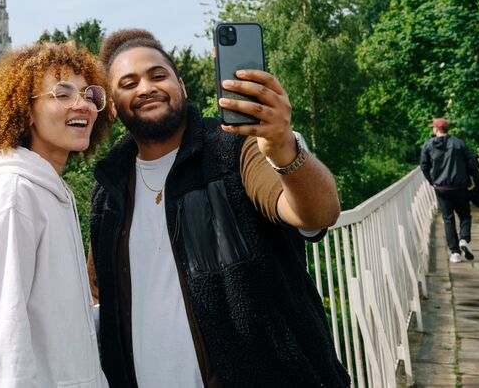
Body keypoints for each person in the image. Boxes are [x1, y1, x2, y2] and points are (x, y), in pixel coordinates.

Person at [88, 29, 349, 388]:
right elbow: (100, 297)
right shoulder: (109, 192)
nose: (146, 87)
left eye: (158, 75)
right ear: (114, 105)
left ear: (181, 85)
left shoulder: (235, 151)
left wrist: (284, 146)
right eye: (129, 83)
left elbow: (317, 214)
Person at [0, 42, 112, 387]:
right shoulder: (13, 194)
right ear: (24, 111)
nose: (81, 104)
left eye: (89, 94)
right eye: (62, 93)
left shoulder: (48, 191)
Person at [420, 117, 479, 264]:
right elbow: (472, 163)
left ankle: (455, 253)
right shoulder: (459, 144)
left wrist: (432, 181)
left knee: (448, 219)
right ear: (447, 129)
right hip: (459, 187)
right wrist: (476, 183)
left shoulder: (428, 146)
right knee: (465, 215)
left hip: (441, 188)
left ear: (435, 129)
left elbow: (424, 166)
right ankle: (464, 239)